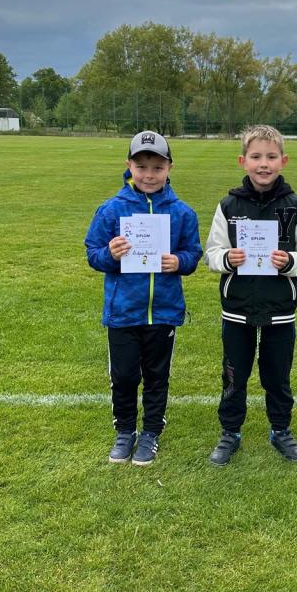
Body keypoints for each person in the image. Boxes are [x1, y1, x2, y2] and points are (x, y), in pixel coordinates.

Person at [204, 124, 297, 466]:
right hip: (237, 308)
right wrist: (228, 258)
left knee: (277, 376)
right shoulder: (228, 205)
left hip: (280, 309)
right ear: (243, 161)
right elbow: (211, 253)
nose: (263, 164)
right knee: (233, 375)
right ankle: (230, 432)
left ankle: (281, 430)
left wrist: (290, 262)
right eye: (256, 156)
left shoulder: (296, 207)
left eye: (271, 157)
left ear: (283, 161)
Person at [84, 130, 202, 466]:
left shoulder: (182, 213)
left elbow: (193, 253)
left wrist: (179, 262)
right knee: (123, 376)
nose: (149, 175)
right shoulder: (111, 210)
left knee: (156, 377)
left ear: (169, 168)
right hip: (123, 311)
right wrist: (110, 254)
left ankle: (150, 432)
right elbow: (93, 254)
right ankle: (125, 431)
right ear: (129, 166)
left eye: (157, 167)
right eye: (141, 167)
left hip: (163, 311)